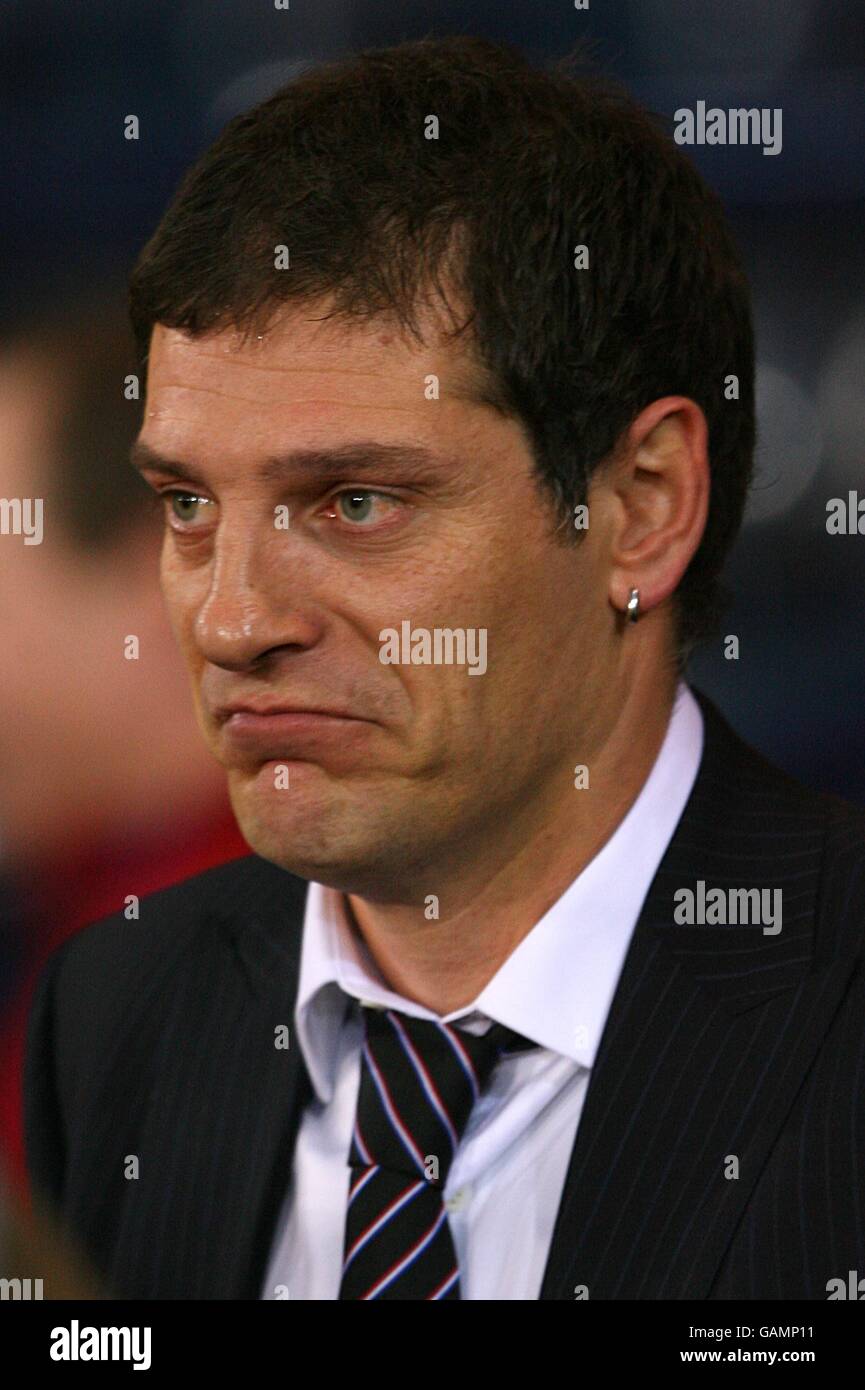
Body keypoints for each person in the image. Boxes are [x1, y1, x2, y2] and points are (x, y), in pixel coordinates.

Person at [23, 36, 865, 1300]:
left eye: (357, 502)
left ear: (641, 507)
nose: (233, 618)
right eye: (188, 507)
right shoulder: (113, 1012)